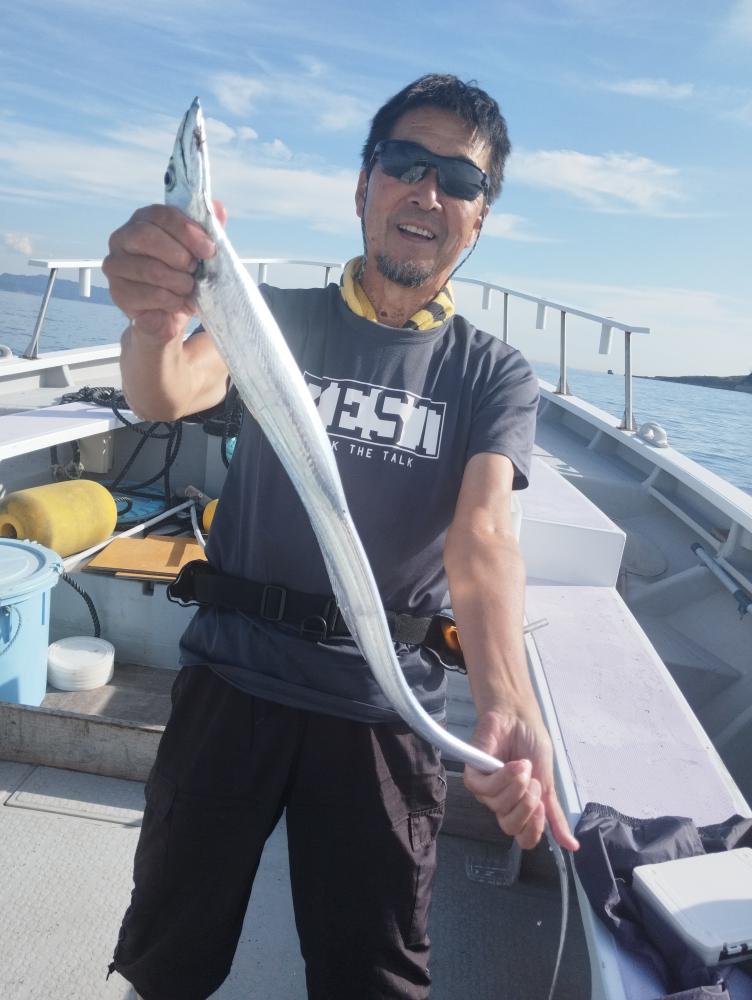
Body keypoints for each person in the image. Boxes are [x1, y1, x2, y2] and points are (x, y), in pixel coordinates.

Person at [103, 73, 579, 1000]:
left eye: (460, 179)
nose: (428, 191)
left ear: (479, 219)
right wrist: (154, 323)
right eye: (405, 162)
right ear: (363, 186)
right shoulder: (273, 319)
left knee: (373, 977)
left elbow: (483, 537)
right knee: (168, 955)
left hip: (380, 709)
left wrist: (508, 698)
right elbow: (165, 390)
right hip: (233, 677)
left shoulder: (492, 375)